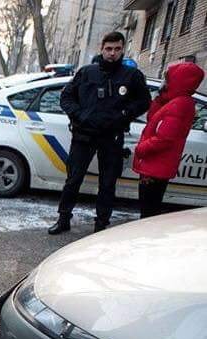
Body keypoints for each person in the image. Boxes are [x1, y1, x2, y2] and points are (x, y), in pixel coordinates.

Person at [48, 31, 151, 234]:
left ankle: (101, 225)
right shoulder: (87, 72)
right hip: (83, 135)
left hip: (111, 137)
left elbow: (143, 102)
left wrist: (123, 115)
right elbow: (66, 97)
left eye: (117, 49)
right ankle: (63, 218)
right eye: (108, 49)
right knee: (73, 179)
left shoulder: (132, 76)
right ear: (101, 49)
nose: (112, 53)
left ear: (123, 49)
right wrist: (79, 115)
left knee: (107, 183)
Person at [133, 61, 205, 218]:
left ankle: (146, 240)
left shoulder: (179, 104)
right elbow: (153, 118)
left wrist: (141, 149)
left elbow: (164, 138)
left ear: (179, 80)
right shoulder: (175, 102)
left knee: (148, 212)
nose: (165, 82)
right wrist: (161, 98)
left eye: (168, 79)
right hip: (155, 167)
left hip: (155, 167)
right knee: (148, 209)